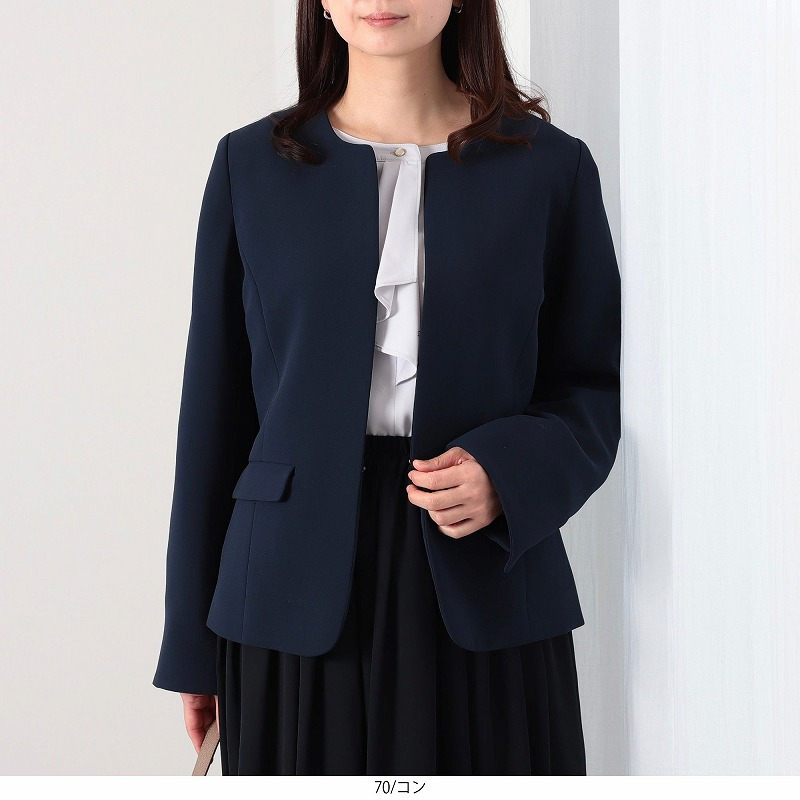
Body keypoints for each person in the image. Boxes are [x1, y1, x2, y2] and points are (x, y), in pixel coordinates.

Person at [153, 0, 621, 776]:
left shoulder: (550, 167)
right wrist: (192, 650)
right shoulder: (250, 165)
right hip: (290, 593)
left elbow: (593, 390)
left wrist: (508, 473)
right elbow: (214, 413)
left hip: (485, 572)